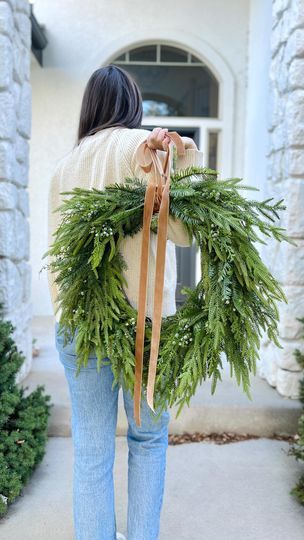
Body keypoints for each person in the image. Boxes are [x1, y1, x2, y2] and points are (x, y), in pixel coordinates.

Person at [47, 65, 204, 540]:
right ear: (132, 105)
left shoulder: (64, 167)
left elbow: (56, 256)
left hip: (79, 323)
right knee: (149, 440)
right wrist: (188, 158)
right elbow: (182, 231)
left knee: (92, 452)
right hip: (146, 323)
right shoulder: (142, 151)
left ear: (91, 106)